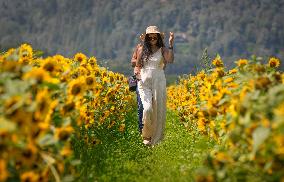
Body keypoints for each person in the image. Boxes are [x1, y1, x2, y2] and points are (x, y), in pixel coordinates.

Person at [134, 25, 174, 146]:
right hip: (144, 83)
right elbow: (137, 65)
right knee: (147, 108)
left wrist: (171, 44)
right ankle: (146, 135)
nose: (152, 40)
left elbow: (170, 60)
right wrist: (137, 74)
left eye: (154, 38)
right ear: (146, 38)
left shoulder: (162, 49)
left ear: (158, 38)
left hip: (158, 81)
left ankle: (155, 139)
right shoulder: (141, 50)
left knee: (157, 110)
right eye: (150, 38)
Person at [131, 42, 144, 134]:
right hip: (140, 79)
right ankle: (141, 130)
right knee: (141, 106)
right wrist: (142, 60)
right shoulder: (139, 47)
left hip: (153, 80)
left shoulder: (158, 48)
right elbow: (132, 62)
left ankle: (152, 130)